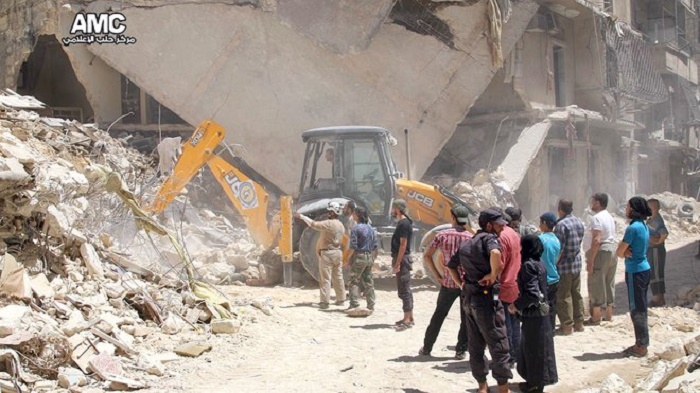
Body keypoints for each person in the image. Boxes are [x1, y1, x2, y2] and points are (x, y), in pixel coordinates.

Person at [447, 209, 512, 393]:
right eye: (499, 223)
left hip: (468, 297)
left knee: (475, 345)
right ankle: (503, 389)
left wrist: (461, 284)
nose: (503, 226)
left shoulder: (468, 243)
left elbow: (451, 266)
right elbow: (496, 255)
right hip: (486, 299)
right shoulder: (489, 239)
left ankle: (482, 387)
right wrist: (493, 274)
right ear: (489, 225)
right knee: (499, 344)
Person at [419, 204, 473, 360]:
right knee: (466, 318)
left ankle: (427, 347)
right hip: (465, 284)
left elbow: (427, 256)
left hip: (447, 283)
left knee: (438, 315)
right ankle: (460, 350)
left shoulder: (442, 235)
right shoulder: (471, 238)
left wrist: (437, 275)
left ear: (453, 217)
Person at [508, 235, 558, 393]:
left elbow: (532, 294)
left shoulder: (528, 266)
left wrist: (515, 305)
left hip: (534, 314)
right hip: (541, 312)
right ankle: (534, 382)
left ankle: (535, 385)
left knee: (534, 349)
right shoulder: (540, 263)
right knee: (536, 348)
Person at [617, 197, 652, 358]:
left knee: (636, 309)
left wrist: (624, 251)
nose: (626, 209)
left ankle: (641, 345)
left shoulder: (632, 228)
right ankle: (641, 342)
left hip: (635, 272)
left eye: (628, 206)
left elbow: (619, 251)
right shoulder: (643, 226)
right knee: (641, 306)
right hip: (644, 269)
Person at [294, 202, 346, 309]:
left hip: (327, 253)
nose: (328, 213)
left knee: (325, 278)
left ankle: (324, 302)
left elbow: (313, 224)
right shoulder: (341, 225)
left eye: (329, 211)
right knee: (338, 277)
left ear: (332, 212)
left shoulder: (329, 224)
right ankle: (341, 299)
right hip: (338, 253)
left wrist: (302, 217)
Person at [583, 193, 617, 324]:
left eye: (592, 201)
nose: (591, 204)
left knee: (596, 281)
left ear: (597, 203)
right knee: (609, 281)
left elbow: (596, 240)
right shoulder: (609, 216)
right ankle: (609, 314)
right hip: (611, 250)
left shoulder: (596, 218)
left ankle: (596, 316)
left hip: (601, 251)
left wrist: (591, 260)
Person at [553, 199, 586, 335]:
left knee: (563, 295)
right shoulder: (579, 222)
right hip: (576, 264)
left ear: (560, 209)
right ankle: (579, 323)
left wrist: (555, 264)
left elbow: (559, 249)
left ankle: (567, 325)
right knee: (576, 293)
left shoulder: (561, 225)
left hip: (565, 265)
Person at [500, 209, 523, 368]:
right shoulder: (518, 235)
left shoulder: (503, 237)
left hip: (505, 285)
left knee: (505, 323)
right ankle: (516, 354)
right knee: (515, 323)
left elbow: (499, 264)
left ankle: (509, 356)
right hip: (516, 283)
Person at [344, 207, 378, 311]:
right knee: (368, 281)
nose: (352, 216)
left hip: (359, 256)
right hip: (369, 256)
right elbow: (375, 246)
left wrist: (346, 259)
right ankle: (371, 304)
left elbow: (353, 246)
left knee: (353, 281)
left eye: (354, 214)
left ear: (357, 216)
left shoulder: (356, 228)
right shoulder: (371, 229)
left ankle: (354, 304)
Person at [391, 199, 414, 329]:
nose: (392, 211)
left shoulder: (404, 224)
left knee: (404, 290)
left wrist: (397, 263)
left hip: (402, 259)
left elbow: (403, 244)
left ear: (398, 209)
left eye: (393, 208)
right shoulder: (402, 223)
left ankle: (407, 319)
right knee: (404, 290)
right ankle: (409, 316)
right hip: (402, 259)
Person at [538, 212, 561, 330]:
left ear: (545, 223)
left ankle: (543, 330)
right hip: (554, 278)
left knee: (541, 307)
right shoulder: (556, 240)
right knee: (552, 306)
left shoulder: (540, 239)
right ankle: (551, 330)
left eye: (540, 222)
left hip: (543, 278)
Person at [647, 198, 669, 307]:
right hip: (652, 250)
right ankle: (659, 298)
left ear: (654, 208)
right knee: (655, 273)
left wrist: (657, 242)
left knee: (655, 274)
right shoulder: (652, 220)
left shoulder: (656, 221)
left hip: (655, 251)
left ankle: (657, 299)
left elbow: (664, 233)